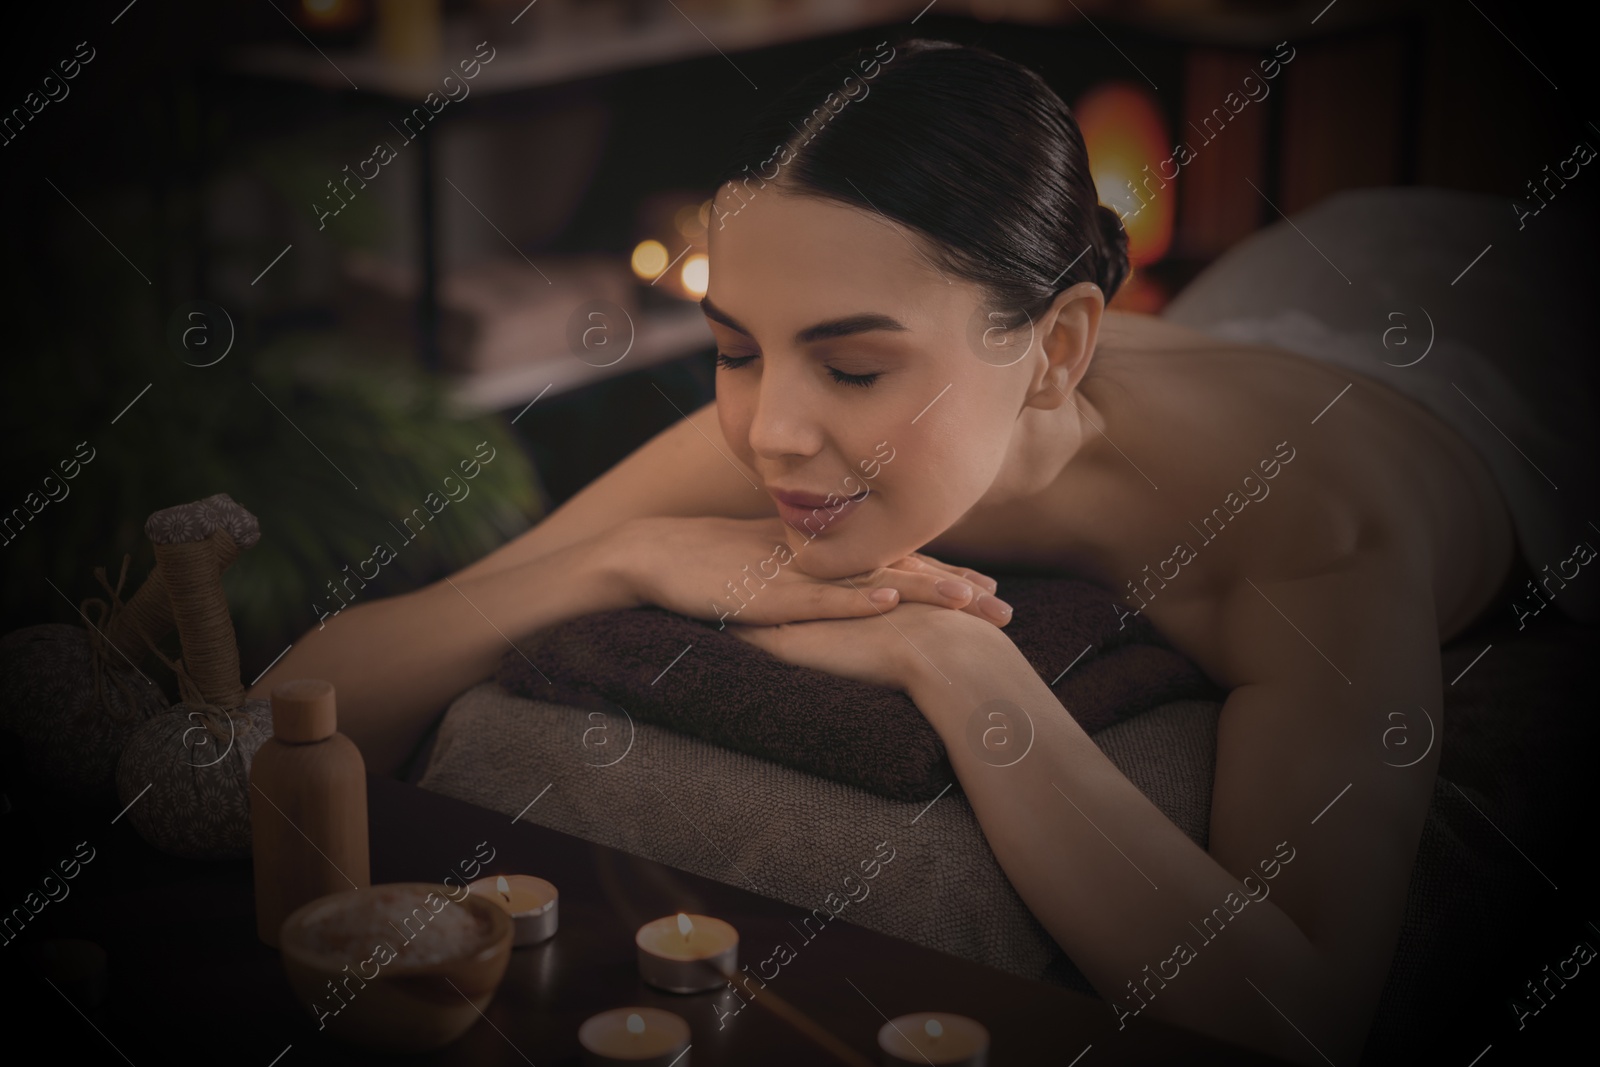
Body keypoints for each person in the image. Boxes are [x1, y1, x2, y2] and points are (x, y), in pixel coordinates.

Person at [252, 39, 1524, 1064]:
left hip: (1492, 361)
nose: (769, 430)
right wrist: (619, 555)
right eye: (737, 347)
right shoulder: (795, 426)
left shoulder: (1307, 525)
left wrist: (956, 665)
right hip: (1256, 307)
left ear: (1058, 349)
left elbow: (1297, 1015)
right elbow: (289, 712)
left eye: (854, 364)